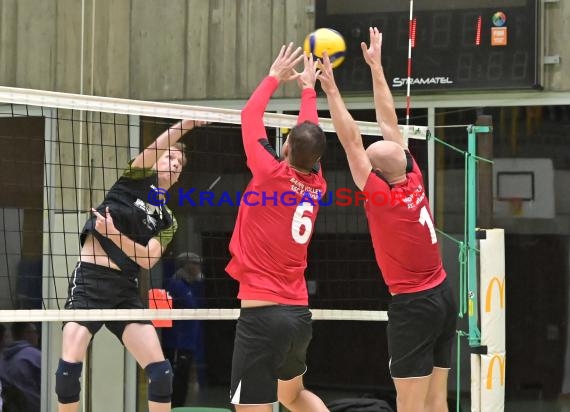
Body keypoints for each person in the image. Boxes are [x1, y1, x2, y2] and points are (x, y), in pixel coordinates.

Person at [317, 27, 456, 412]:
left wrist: (330, 89)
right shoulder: (413, 175)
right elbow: (388, 120)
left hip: (415, 306)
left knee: (410, 405)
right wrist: (376, 66)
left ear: (375, 173)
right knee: (436, 401)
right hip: (444, 295)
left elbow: (349, 140)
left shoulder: (383, 197)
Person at [56, 119, 205, 412]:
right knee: (68, 371)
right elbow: (155, 147)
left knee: (162, 374)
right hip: (91, 282)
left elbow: (148, 259)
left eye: (180, 163)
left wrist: (113, 235)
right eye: (170, 157)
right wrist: (187, 124)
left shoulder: (167, 219)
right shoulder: (134, 178)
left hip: (125, 291)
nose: (175, 164)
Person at [226, 44, 328, 412]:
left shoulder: (270, 174)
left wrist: (274, 77)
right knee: (293, 397)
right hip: (298, 315)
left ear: (285, 148)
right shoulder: (317, 184)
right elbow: (310, 133)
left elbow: (250, 115)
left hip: (262, 315)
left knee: (252, 406)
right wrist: (307, 89)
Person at [162, 251, 206, 406]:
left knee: (183, 382)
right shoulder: (175, 285)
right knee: (177, 382)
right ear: (187, 265)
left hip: (188, 343)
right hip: (177, 344)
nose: (199, 267)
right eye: (195, 263)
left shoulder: (189, 287)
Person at [0, 322, 41, 412]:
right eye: (35, 332)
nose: (38, 335)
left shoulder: (4, 358)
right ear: (26, 334)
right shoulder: (35, 356)